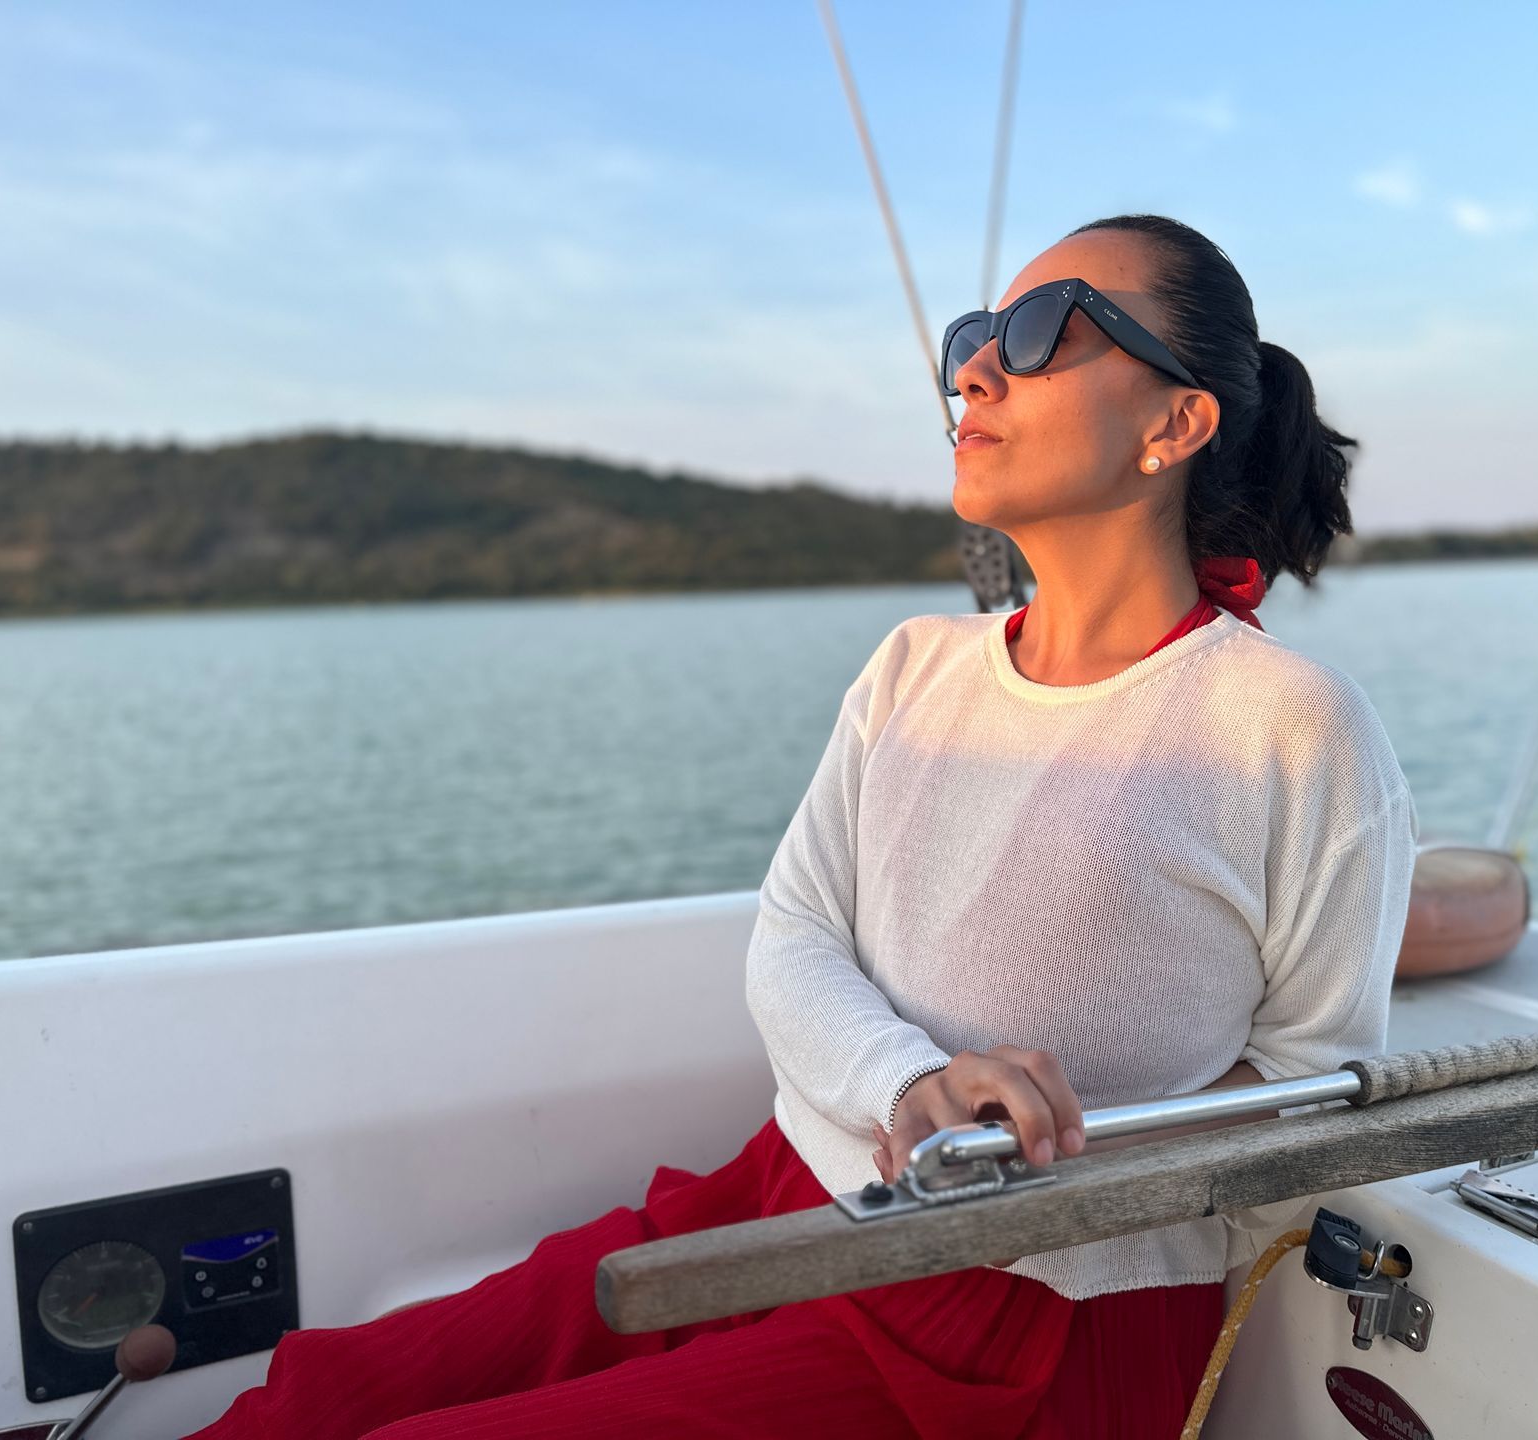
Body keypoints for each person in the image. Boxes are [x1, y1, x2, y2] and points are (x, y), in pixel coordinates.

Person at [182, 213, 1418, 1439]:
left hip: (1021, 1316)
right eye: (972, 337)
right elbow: (795, 931)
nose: (976, 369)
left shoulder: (1286, 723)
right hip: (785, 1195)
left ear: (1176, 421)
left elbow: (1315, 1082)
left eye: (1041, 331)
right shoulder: (913, 668)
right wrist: (912, 1084)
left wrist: (1052, 1156)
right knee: (323, 1395)